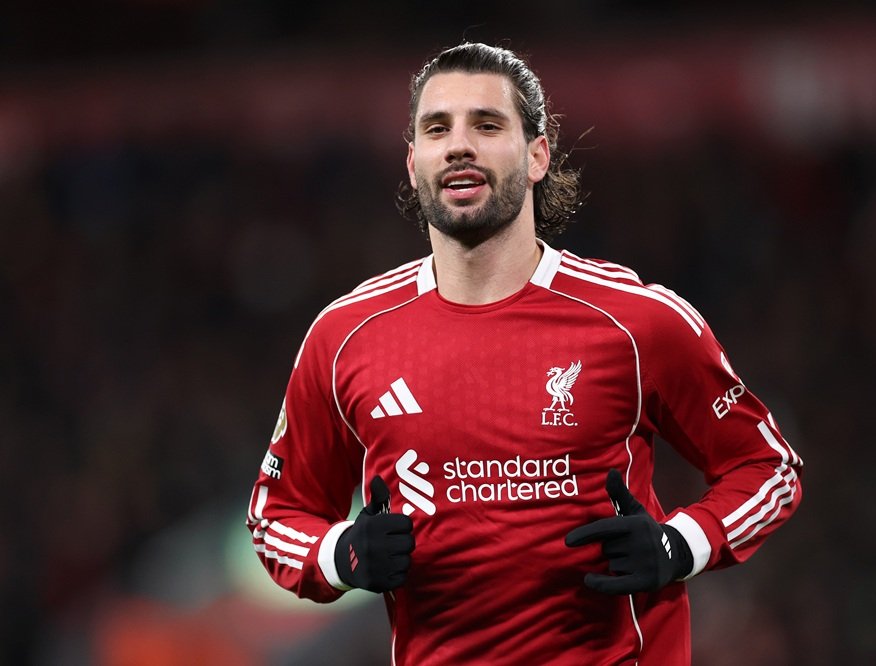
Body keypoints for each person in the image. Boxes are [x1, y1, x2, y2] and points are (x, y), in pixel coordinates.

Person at [247, 42, 803, 665]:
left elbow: (768, 466)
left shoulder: (637, 322)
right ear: (413, 161)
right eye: (437, 129)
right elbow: (276, 516)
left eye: (487, 125)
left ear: (537, 155)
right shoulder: (346, 337)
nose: (459, 145)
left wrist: (681, 545)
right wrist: (340, 555)